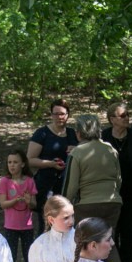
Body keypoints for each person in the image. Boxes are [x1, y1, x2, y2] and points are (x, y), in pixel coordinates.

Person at [63, 114, 126, 262]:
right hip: (113, 202)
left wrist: (63, 205)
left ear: (79, 133)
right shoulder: (110, 149)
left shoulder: (77, 153)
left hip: (87, 205)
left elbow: (71, 186)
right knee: (108, 242)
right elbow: (119, 179)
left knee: (83, 244)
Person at [27, 99, 79, 235]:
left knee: (66, 223)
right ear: (51, 115)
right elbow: (30, 160)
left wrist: (76, 150)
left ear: (68, 115)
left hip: (67, 185)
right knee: (46, 224)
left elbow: (83, 156)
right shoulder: (42, 133)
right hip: (46, 185)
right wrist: (51, 164)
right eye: (55, 114)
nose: (59, 117)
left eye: (62, 114)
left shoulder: (73, 134)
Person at [104, 103, 132, 262]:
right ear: (112, 119)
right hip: (110, 193)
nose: (127, 118)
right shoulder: (103, 137)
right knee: (112, 232)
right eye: (123, 115)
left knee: (129, 233)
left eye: (128, 114)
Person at [0, 149, 37, 262]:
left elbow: (34, 205)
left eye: (15, 162)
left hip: (27, 226)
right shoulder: (5, 181)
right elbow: (3, 204)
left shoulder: (29, 181)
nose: (12, 165)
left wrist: (28, 201)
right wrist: (15, 200)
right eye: (9, 162)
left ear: (23, 164)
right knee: (11, 256)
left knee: (29, 256)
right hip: (11, 226)